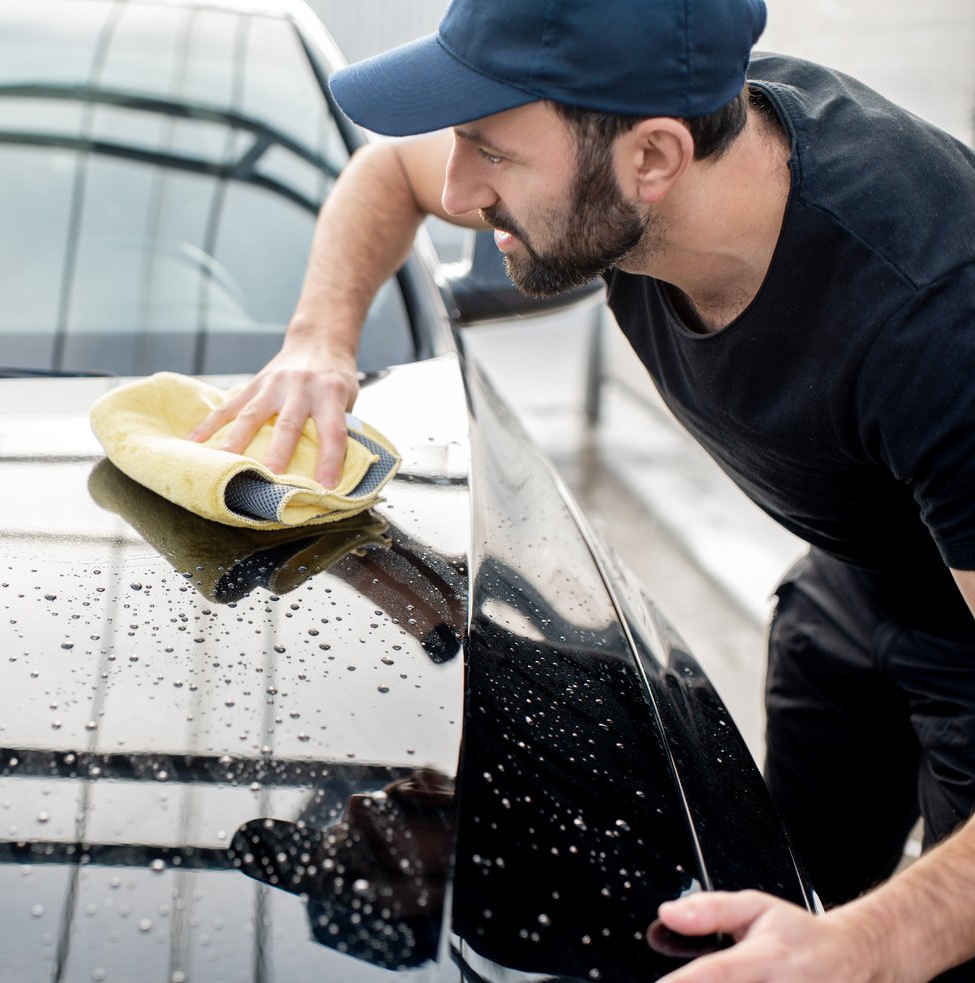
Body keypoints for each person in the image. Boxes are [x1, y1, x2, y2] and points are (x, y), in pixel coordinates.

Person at [187, 0, 975, 979]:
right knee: (770, 901)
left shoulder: (936, 323)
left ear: (650, 160)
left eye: (493, 151)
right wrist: (318, 339)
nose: (458, 182)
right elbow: (390, 170)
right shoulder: (640, 140)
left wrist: (867, 945)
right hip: (856, 574)